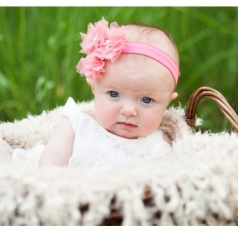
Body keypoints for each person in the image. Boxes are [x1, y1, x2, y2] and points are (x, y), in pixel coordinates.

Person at [25, 18, 180, 172]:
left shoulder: (163, 143)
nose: (128, 110)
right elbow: (47, 168)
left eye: (146, 100)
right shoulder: (77, 126)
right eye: (114, 94)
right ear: (93, 87)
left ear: (168, 101)